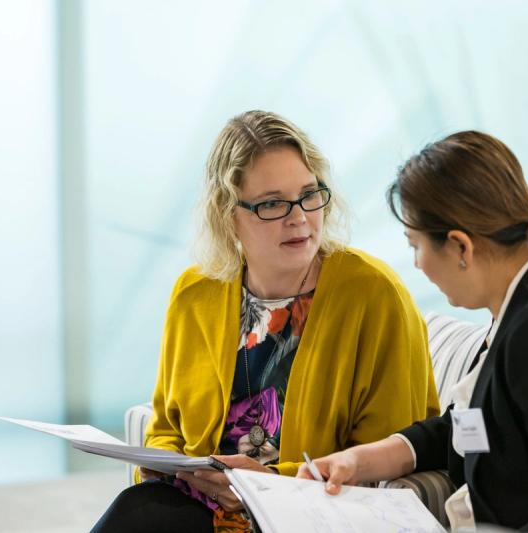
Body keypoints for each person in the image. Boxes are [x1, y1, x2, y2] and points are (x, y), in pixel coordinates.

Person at [91, 110, 439, 533]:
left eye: (310, 195)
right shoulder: (194, 292)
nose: (299, 217)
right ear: (229, 213)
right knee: (137, 510)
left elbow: (389, 455)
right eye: (273, 203)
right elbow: (166, 426)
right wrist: (162, 465)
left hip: (307, 515)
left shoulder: (376, 295)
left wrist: (270, 481)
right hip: (202, 510)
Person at [298, 130, 528, 530]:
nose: (418, 264)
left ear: (460, 247)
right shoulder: (526, 309)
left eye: (415, 245)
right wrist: (357, 460)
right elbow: (467, 425)